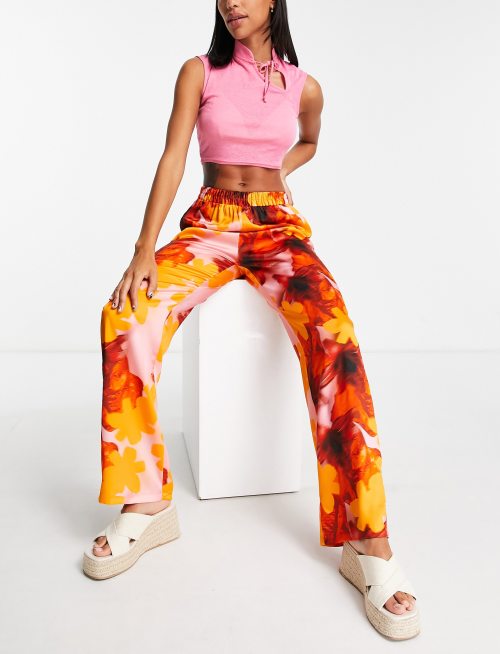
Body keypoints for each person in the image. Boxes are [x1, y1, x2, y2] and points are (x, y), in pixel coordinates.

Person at [82, 0, 420, 641]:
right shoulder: (199, 71)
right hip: (210, 221)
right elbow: (174, 156)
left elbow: (310, 140)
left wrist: (279, 171)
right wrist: (145, 248)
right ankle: (147, 500)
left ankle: (366, 539)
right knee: (124, 316)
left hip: (276, 229)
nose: (230, 2)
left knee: (337, 342)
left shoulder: (304, 85)